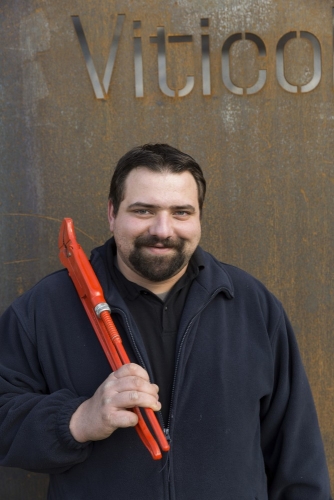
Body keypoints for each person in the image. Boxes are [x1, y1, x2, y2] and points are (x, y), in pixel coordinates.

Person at [0, 143, 331, 499]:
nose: (163, 229)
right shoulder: (45, 306)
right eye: (143, 210)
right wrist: (79, 419)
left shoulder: (253, 305)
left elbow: (296, 452)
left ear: (199, 217)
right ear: (112, 213)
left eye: (181, 213)